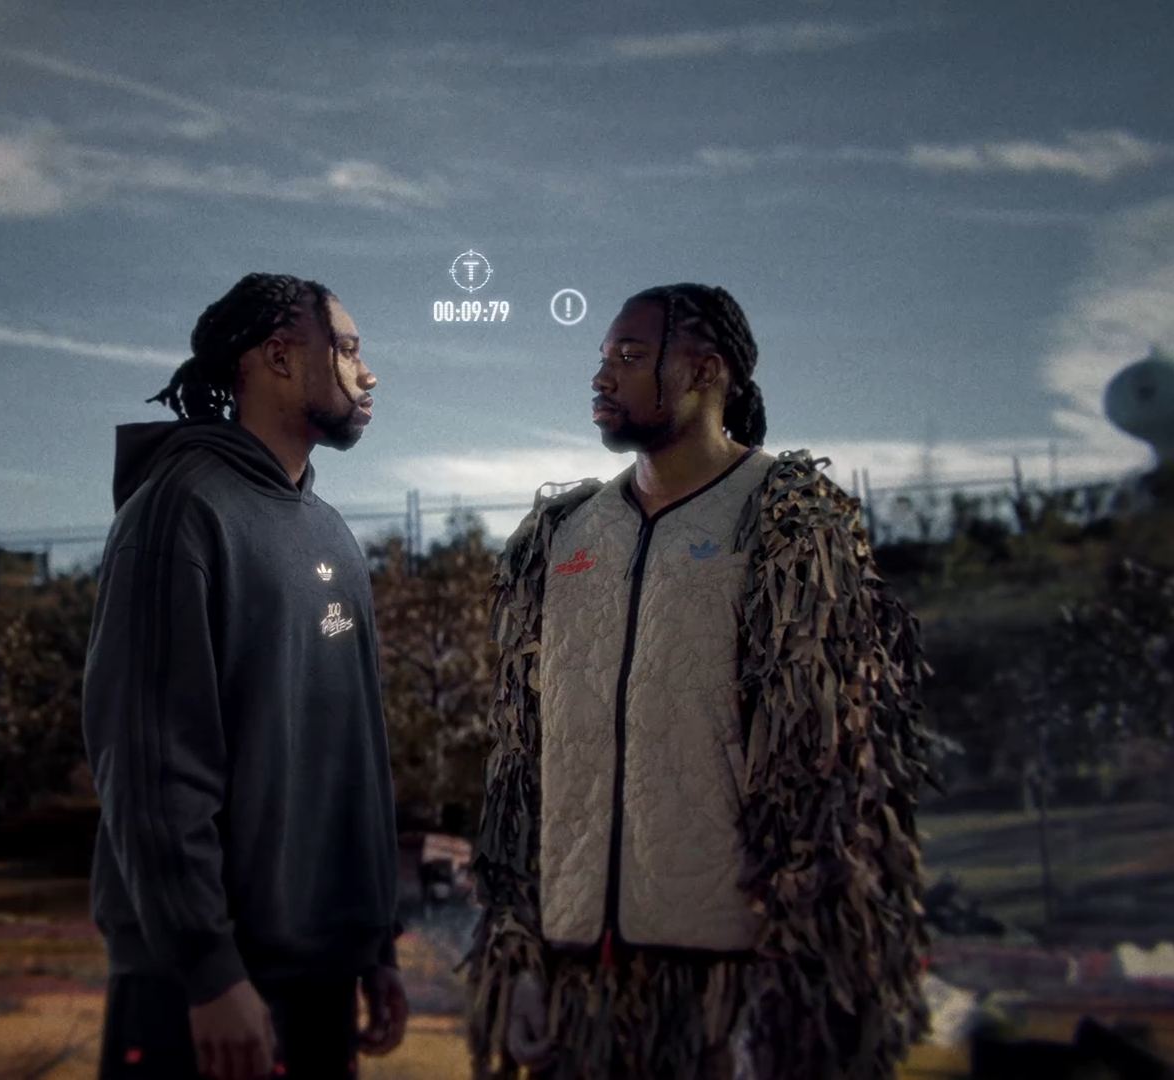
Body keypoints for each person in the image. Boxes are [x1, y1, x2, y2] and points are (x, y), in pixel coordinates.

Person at [463, 284, 937, 1079]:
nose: (602, 376)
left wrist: (798, 994)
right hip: (577, 977)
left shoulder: (788, 521)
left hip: (726, 989)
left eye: (631, 356)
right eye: (602, 357)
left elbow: (832, 777)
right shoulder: (561, 536)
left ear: (705, 369)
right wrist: (515, 950)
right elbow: (519, 764)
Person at [84, 272, 410, 1080]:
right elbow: (153, 766)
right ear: (276, 357)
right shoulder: (179, 512)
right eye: (345, 349)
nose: (368, 374)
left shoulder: (330, 532)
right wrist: (207, 968)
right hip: (203, 987)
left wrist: (375, 942)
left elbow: (356, 757)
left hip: (322, 972)